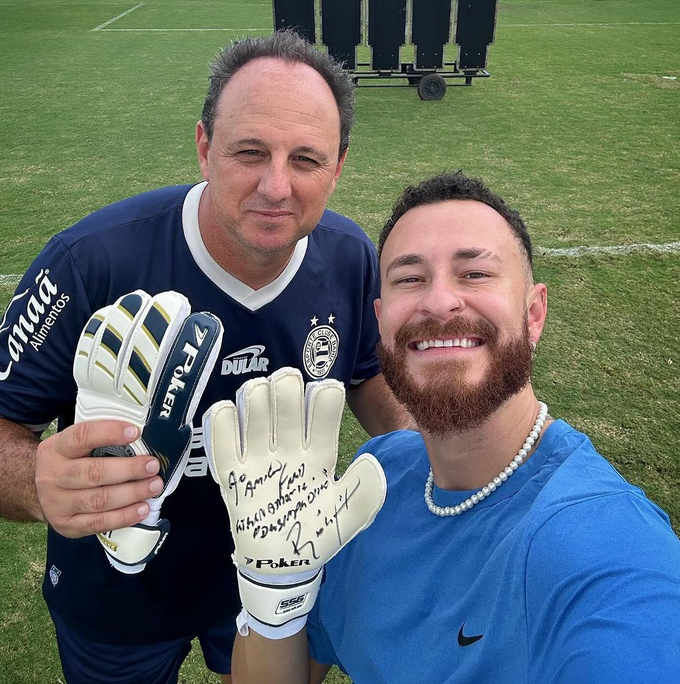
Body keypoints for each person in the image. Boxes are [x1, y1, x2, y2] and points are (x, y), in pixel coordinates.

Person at [0, 31, 408, 684]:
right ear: (203, 146)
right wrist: (36, 483)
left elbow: (365, 373)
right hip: (115, 591)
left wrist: (423, 444)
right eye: (250, 152)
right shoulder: (93, 261)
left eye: (306, 159)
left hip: (272, 575)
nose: (276, 185)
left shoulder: (349, 256)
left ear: (338, 168)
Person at [224, 172, 680, 683]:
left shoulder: (605, 548)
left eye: (475, 274)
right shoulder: (375, 482)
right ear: (380, 320)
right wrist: (274, 598)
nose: (439, 302)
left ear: (533, 315)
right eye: (409, 278)